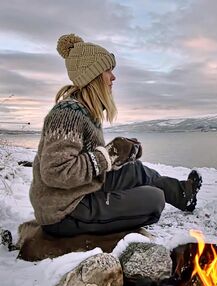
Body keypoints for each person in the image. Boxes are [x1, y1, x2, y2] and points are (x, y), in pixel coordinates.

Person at [29, 34, 202, 237]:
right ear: (92, 76)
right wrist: (108, 155)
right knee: (154, 199)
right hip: (65, 211)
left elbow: (91, 161)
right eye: (108, 71)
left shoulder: (84, 111)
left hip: (79, 191)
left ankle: (183, 194)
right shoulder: (67, 114)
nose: (113, 77)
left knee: (134, 169)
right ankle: (164, 197)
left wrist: (122, 154)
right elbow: (56, 172)